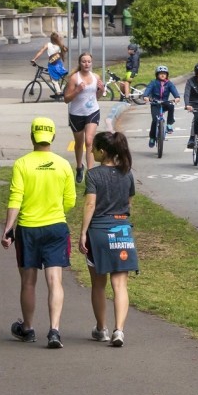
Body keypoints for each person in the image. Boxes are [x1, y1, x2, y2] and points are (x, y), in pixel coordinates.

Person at [2, 117, 76, 348]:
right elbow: (71, 200)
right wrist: (55, 212)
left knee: (29, 282)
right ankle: (54, 331)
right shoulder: (63, 164)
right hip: (56, 227)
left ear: (32, 136)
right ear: (52, 137)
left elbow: (16, 197)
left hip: (28, 229)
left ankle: (28, 328)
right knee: (55, 280)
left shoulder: (22, 164)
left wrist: (8, 229)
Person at [79, 131, 137, 347]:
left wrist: (83, 232)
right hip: (122, 230)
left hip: (99, 234)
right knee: (120, 284)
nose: (91, 151)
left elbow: (90, 205)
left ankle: (101, 328)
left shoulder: (93, 175)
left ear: (102, 152)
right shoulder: (127, 174)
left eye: (93, 148)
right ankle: (119, 330)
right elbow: (128, 202)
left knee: (98, 284)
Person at [64, 52, 104, 182]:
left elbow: (97, 97)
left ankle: (90, 173)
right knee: (79, 143)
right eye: (84, 61)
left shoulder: (96, 77)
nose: (86, 64)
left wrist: (101, 90)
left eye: (89, 61)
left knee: (89, 141)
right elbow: (66, 99)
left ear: (91, 63)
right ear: (80, 63)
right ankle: (79, 166)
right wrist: (77, 90)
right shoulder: (75, 78)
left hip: (92, 111)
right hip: (76, 114)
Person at [142, 65, 181, 148]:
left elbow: (174, 91)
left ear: (167, 75)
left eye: (164, 74)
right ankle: (152, 137)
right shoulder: (153, 82)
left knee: (171, 106)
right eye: (160, 74)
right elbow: (148, 90)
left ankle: (169, 124)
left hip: (165, 102)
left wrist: (177, 97)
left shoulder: (169, 83)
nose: (163, 75)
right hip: (155, 103)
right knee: (155, 120)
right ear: (157, 75)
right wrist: (146, 96)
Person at [31, 31, 68, 96]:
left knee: (54, 80)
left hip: (52, 65)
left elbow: (40, 52)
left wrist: (34, 59)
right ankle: (58, 90)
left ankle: (58, 92)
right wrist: (61, 42)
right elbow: (65, 50)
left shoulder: (48, 45)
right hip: (59, 64)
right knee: (56, 77)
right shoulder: (60, 46)